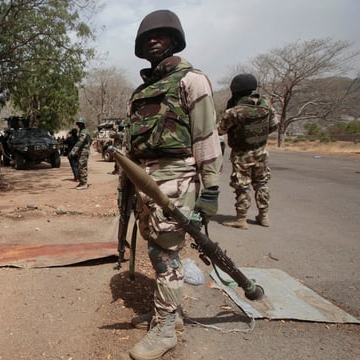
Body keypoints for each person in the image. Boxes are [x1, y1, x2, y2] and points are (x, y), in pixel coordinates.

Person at [121, 10, 223, 359]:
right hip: (145, 181)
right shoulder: (140, 91)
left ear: (175, 40)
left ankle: (165, 329)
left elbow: (206, 136)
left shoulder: (192, 80)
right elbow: (131, 148)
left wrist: (210, 190)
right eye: (147, 37)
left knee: (165, 253)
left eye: (161, 35)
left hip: (177, 177)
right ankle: (171, 315)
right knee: (156, 249)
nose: (153, 40)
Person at [218, 73, 278, 229]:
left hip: (242, 154)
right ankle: (264, 217)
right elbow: (273, 126)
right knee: (261, 183)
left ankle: (241, 219)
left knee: (242, 186)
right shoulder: (267, 106)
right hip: (261, 152)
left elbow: (220, 130)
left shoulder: (235, 111)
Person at [68, 118, 92, 190]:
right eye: (78, 124)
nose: (78, 125)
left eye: (79, 124)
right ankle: (82, 182)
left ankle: (84, 183)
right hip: (83, 151)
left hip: (83, 151)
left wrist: (73, 152)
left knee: (81, 166)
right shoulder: (84, 131)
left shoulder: (84, 132)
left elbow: (80, 142)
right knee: (80, 166)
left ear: (83, 124)